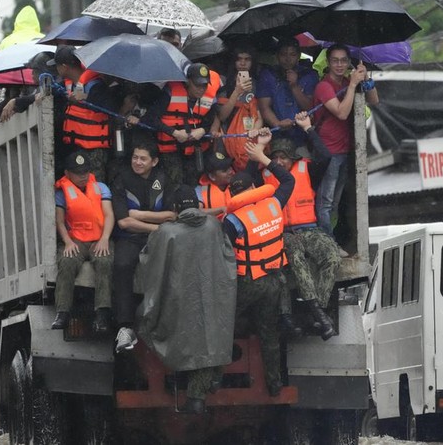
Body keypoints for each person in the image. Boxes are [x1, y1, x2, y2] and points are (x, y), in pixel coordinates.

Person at [137, 185, 237, 414]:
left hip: (178, 302)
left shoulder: (166, 232)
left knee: (176, 334)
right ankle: (206, 385)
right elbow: (229, 257)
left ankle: (195, 392)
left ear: (174, 209)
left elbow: (148, 264)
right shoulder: (214, 226)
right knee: (212, 338)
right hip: (212, 297)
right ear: (199, 205)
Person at [222, 127, 294, 396]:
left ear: (233, 194)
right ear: (253, 188)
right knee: (269, 333)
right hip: (274, 281)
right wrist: (263, 157)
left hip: (248, 283)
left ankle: (214, 379)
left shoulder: (232, 220)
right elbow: (287, 181)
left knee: (223, 325)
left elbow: (223, 256)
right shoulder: (274, 204)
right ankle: (274, 385)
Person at [254, 112, 340, 339]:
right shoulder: (263, 174)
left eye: (285, 158)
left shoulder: (307, 170)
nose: (280, 162)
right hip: (282, 234)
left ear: (294, 158)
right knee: (297, 259)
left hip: (309, 229)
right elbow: (245, 172)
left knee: (332, 256)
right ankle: (318, 314)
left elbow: (326, 156)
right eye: (276, 157)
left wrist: (308, 128)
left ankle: (317, 309)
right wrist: (261, 146)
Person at [111, 133, 174, 352]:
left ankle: (169, 321)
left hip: (160, 239)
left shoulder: (163, 179)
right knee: (121, 265)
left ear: (154, 161)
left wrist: (139, 214)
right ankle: (125, 327)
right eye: (135, 157)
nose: (137, 162)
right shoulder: (121, 179)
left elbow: (173, 215)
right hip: (131, 238)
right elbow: (124, 222)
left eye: (143, 159)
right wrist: (157, 227)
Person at [312, 43, 379, 242]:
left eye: (343, 60)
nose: (339, 65)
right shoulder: (324, 86)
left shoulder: (348, 81)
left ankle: (329, 239)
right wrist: (352, 85)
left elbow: (374, 100)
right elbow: (341, 113)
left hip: (345, 149)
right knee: (325, 201)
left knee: (335, 202)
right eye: (335, 61)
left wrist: (365, 78)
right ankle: (327, 243)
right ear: (328, 63)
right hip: (328, 151)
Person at [51, 151, 115, 333]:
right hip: (76, 240)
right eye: (78, 173)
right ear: (67, 173)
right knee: (67, 262)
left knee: (104, 261)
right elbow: (59, 221)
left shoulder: (101, 187)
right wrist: (68, 242)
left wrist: (105, 239)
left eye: (86, 172)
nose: (83, 176)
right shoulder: (61, 192)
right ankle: (62, 312)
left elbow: (109, 214)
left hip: (99, 239)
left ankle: (102, 313)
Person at [139, 63, 222, 186]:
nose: (201, 89)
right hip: (170, 151)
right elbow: (150, 118)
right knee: (174, 186)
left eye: (204, 85)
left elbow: (211, 120)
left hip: (194, 151)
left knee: (193, 184)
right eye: (197, 85)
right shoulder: (170, 92)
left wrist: (203, 130)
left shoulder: (209, 97)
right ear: (188, 82)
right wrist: (174, 133)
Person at [53, 46, 118, 182]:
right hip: (74, 147)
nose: (56, 69)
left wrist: (84, 99)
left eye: (57, 66)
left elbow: (109, 108)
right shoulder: (68, 85)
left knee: (95, 185)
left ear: (64, 67)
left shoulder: (96, 86)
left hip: (94, 152)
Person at [257, 37, 318, 144]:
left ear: (299, 56)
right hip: (275, 134)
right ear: (277, 56)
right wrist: (277, 124)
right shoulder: (268, 74)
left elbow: (311, 107)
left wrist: (294, 86)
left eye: (292, 55)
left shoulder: (309, 75)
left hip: (303, 133)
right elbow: (264, 106)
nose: (288, 59)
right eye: (283, 54)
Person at [214, 45, 263, 172]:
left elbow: (259, 116)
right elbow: (222, 116)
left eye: (247, 59)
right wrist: (236, 92)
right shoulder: (223, 82)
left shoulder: (257, 84)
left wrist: (254, 130)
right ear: (233, 61)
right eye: (239, 59)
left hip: (248, 137)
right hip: (226, 138)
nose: (243, 63)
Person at [195, 151, 234, 219]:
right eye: (225, 170)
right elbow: (198, 212)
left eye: (230, 168)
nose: (230, 172)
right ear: (212, 176)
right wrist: (221, 209)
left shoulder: (239, 183)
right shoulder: (200, 190)